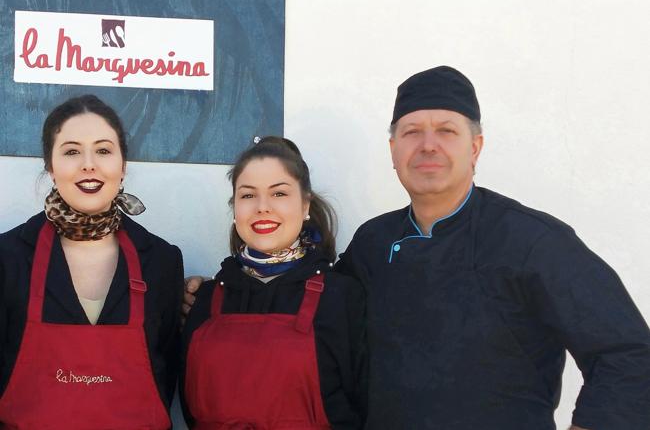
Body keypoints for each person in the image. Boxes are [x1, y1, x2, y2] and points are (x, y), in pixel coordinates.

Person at [335, 66, 650, 429]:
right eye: (412, 132)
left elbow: (628, 354)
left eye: (446, 131)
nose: (428, 145)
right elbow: (325, 329)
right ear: (393, 150)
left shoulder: (533, 241)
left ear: (475, 147)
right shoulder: (373, 242)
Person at [0, 95, 183, 429]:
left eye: (103, 150)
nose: (89, 164)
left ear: (123, 166)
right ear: (51, 168)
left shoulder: (161, 261)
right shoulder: (8, 257)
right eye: (71, 151)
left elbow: (167, 371)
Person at [181, 137, 366, 429]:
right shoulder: (204, 299)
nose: (262, 207)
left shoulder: (342, 298)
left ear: (305, 204)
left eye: (279, 194)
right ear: (235, 208)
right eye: (248, 195)